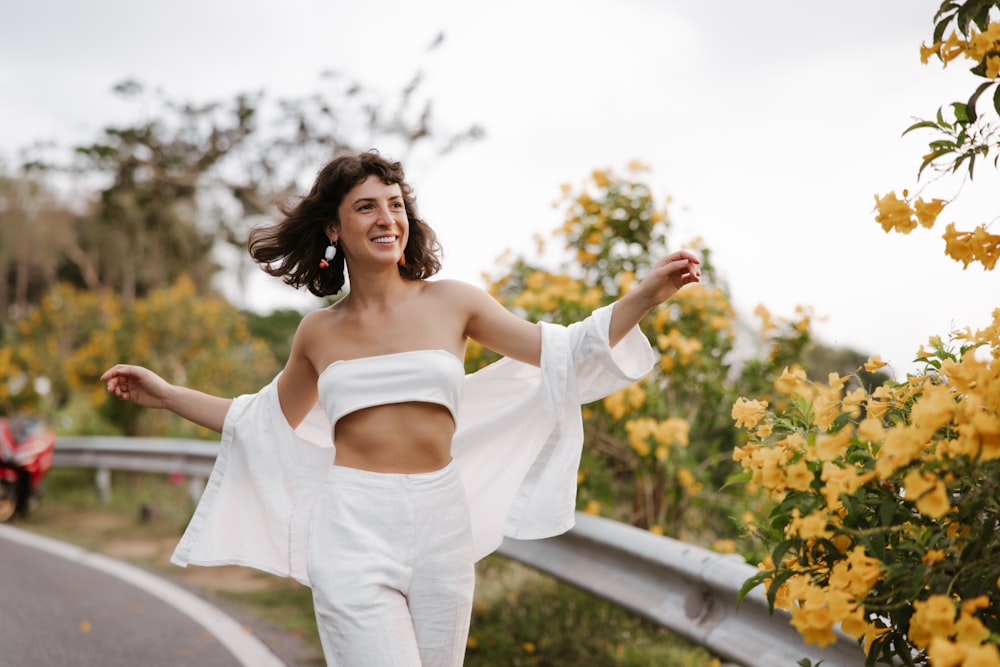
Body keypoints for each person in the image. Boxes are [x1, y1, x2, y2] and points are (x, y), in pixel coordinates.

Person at [101, 150, 700, 666]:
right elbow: (260, 419)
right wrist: (167, 395)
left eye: (394, 204)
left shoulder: (455, 303)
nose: (387, 217)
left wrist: (646, 295)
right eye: (366, 207)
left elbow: (565, 351)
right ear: (334, 230)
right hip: (351, 526)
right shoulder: (317, 333)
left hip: (443, 520)